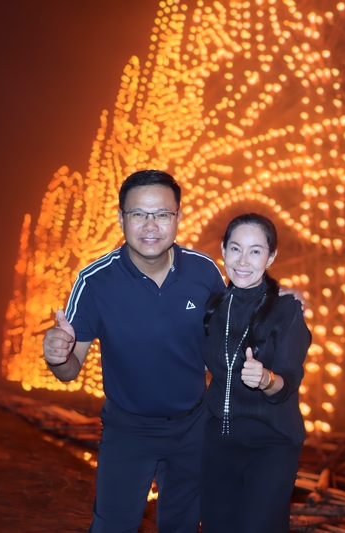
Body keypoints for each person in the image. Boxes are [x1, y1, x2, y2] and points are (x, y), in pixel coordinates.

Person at [42, 170, 226, 532]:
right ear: (121, 218)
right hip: (128, 430)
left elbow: (230, 334)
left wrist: (275, 301)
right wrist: (57, 356)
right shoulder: (95, 281)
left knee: (183, 525)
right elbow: (69, 370)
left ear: (178, 217)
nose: (150, 225)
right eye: (139, 214)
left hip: (193, 427)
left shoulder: (204, 272)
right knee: (112, 525)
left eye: (162, 214)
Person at [199, 213, 311, 533]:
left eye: (256, 251)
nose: (243, 261)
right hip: (217, 439)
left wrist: (266, 380)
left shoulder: (286, 310)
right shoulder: (211, 308)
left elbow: (289, 379)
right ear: (223, 250)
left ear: (270, 257)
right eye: (236, 249)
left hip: (271, 442)